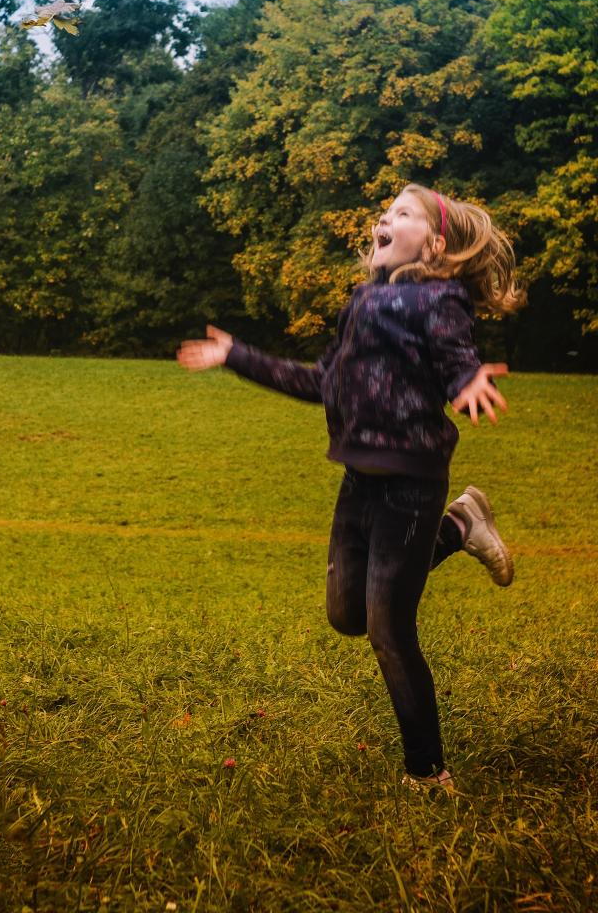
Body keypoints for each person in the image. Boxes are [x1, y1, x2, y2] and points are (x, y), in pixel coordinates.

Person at [177, 183, 525, 794]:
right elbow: (319, 383)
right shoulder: (363, 301)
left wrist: (468, 379)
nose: (383, 219)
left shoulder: (439, 300)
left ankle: (427, 771)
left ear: (436, 245)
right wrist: (236, 355)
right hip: (359, 480)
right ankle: (461, 525)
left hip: (413, 482)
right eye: (385, 212)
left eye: (403, 213)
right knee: (346, 616)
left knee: (391, 630)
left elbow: (455, 353)